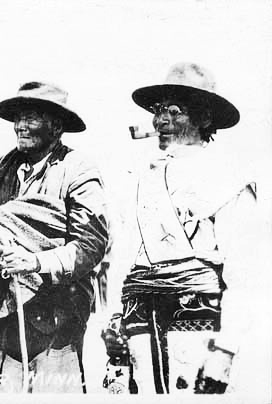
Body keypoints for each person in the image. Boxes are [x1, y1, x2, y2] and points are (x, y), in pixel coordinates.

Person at [101, 62, 268, 394]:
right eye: (158, 110)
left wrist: (225, 349)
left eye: (174, 111)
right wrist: (115, 317)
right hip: (139, 329)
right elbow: (124, 256)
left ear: (204, 118)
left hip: (198, 329)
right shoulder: (139, 178)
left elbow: (244, 273)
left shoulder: (227, 178)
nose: (161, 120)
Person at [0, 81, 109, 393]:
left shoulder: (78, 170)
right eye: (18, 118)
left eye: (31, 118)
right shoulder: (1, 168)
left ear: (56, 126)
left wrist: (35, 261)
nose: (20, 127)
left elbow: (90, 244)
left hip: (56, 312)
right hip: (2, 312)